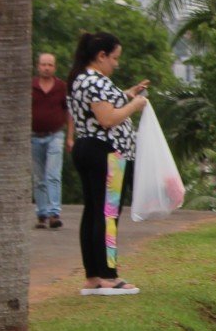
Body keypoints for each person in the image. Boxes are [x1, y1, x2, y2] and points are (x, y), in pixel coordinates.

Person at [66, 31, 148, 296]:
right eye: (114, 58)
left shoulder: (81, 79)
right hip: (107, 152)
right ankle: (109, 275)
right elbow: (107, 118)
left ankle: (93, 276)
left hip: (87, 148)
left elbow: (100, 107)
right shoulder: (96, 81)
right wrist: (135, 105)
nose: (116, 64)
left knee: (93, 212)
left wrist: (127, 94)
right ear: (101, 56)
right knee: (108, 214)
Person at [32, 52, 70, 229]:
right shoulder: (30, 86)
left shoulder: (61, 87)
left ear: (54, 68)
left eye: (50, 65)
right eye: (43, 64)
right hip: (34, 136)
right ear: (38, 66)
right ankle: (42, 214)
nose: (46, 68)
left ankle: (54, 213)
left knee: (53, 175)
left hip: (55, 134)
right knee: (38, 177)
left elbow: (69, 112)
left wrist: (70, 137)